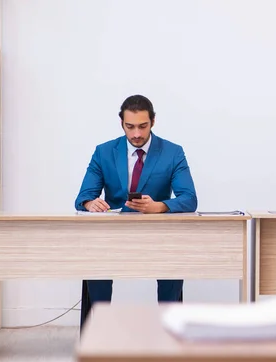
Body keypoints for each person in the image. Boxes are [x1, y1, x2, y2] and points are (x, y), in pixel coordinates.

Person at [75, 94, 197, 330]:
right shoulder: (104, 152)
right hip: (113, 233)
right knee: (95, 256)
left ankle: (169, 329)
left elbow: (189, 198)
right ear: (121, 123)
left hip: (158, 234)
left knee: (174, 258)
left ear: (153, 122)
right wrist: (91, 204)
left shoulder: (173, 152)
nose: (137, 134)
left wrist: (160, 206)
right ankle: (98, 329)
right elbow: (83, 197)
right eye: (130, 127)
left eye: (143, 126)